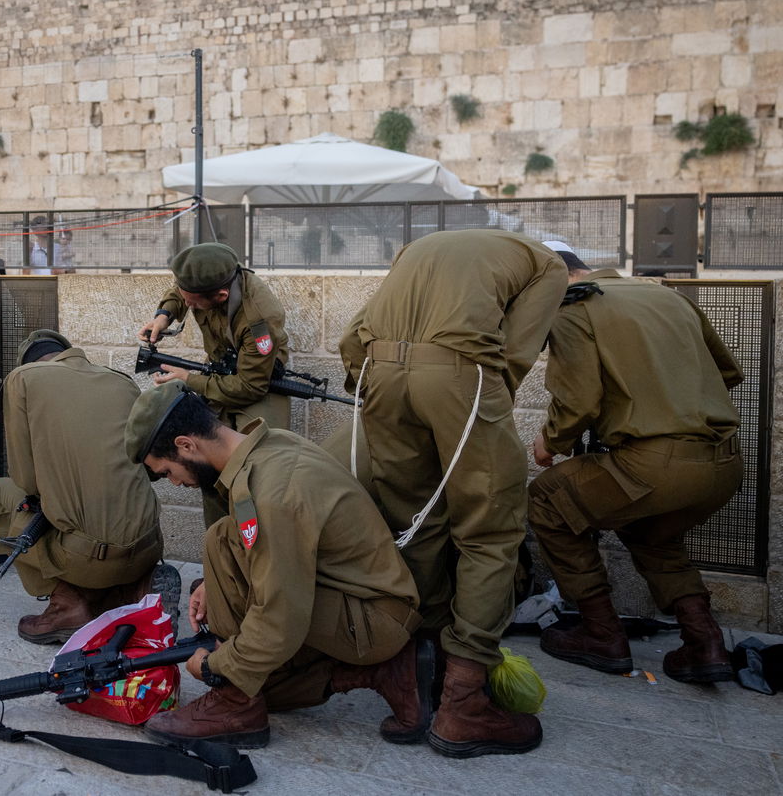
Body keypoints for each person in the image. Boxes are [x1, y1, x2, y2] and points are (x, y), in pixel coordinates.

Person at [338, 228, 564, 757]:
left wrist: (377, 386)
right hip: (460, 374)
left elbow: (354, 336)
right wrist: (476, 401)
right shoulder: (547, 265)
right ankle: (463, 702)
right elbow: (515, 354)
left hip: (380, 370)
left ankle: (411, 676)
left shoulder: (419, 249)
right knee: (489, 531)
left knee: (413, 523)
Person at [124, 381, 429, 750]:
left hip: (374, 620)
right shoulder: (268, 447)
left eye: (167, 472)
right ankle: (382, 673)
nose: (175, 482)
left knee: (245, 670)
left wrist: (216, 669)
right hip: (363, 600)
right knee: (223, 542)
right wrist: (216, 587)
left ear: (186, 445)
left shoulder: (271, 492)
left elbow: (279, 615)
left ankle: (231, 703)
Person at [528, 244, 743, 684]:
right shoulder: (664, 295)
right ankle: (705, 642)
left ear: (546, 279)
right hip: (724, 463)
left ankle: (601, 633)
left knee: (548, 502)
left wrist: (549, 442)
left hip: (657, 465)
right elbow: (728, 372)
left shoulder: (572, 309)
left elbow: (579, 402)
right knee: (651, 532)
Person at [0, 330, 167, 644]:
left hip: (89, 560)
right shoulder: (120, 381)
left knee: (0, 493)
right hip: (148, 548)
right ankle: (135, 589)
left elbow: (27, 482)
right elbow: (149, 470)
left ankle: (68, 605)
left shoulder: (23, 380)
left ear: (29, 363)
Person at [137, 243, 290, 528]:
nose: (189, 305)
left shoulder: (258, 318)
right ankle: (219, 555)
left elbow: (250, 386)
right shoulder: (204, 282)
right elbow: (179, 291)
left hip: (259, 385)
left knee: (257, 470)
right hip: (217, 375)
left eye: (193, 303)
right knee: (206, 465)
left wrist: (188, 379)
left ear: (220, 295)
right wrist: (163, 316)